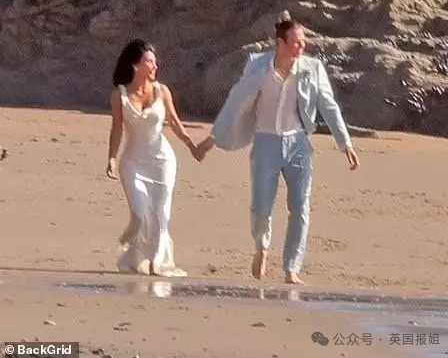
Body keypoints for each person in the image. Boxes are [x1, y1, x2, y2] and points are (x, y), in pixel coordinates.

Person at [196, 19, 360, 285]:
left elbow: (328, 105)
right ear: (280, 43)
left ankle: (292, 268)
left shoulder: (312, 68)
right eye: (296, 42)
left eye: (304, 42)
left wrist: (345, 143)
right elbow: (236, 101)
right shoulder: (257, 65)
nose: (301, 47)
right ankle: (262, 247)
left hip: (299, 144)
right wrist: (212, 138)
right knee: (262, 207)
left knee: (301, 207)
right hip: (266, 143)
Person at [106, 39, 200, 277]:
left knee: (160, 213)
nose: (155, 66)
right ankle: (135, 245)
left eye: (155, 62)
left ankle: (156, 262)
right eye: (149, 61)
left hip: (162, 161)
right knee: (140, 213)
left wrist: (191, 145)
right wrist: (112, 158)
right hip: (133, 162)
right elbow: (116, 129)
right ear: (136, 65)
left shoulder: (162, 91)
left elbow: (175, 122)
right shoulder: (119, 96)